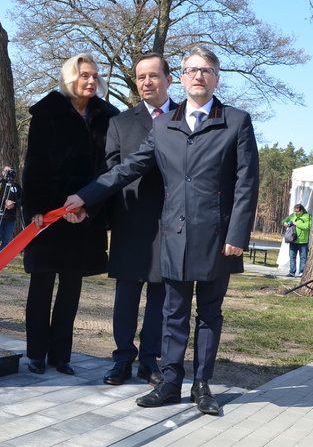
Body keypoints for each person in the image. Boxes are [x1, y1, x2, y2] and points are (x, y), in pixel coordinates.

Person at [64, 45, 259, 415]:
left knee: (209, 315)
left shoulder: (236, 120)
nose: (198, 76)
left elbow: (247, 182)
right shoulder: (164, 125)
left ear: (216, 78)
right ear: (182, 78)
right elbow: (127, 168)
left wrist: (237, 234)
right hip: (175, 235)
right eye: (191, 70)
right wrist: (85, 197)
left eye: (205, 70)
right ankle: (170, 381)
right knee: (173, 313)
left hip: (219, 238)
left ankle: (202, 385)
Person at [21, 53, 118, 376]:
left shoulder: (107, 118)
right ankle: (35, 352)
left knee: (71, 290)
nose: (91, 81)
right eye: (84, 76)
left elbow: (109, 169)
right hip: (49, 216)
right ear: (70, 77)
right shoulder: (47, 112)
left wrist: (90, 208)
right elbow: (34, 164)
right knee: (41, 286)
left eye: (94, 76)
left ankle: (60, 355)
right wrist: (35, 208)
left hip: (85, 215)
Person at [102, 53, 177, 387]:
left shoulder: (186, 117)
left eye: (153, 76)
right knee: (127, 296)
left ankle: (151, 361)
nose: (147, 82)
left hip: (172, 222)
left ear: (168, 79)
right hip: (131, 222)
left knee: (161, 299)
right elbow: (110, 172)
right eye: (140, 77)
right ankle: (122, 359)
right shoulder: (120, 123)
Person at [281, 204, 311, 277]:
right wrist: (285, 223)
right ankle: (292, 271)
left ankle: (301, 272)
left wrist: (296, 224)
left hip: (303, 241)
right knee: (292, 257)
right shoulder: (292, 216)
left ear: (302, 210)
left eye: (297, 211)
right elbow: (284, 220)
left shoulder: (307, 217)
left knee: (303, 258)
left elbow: (307, 226)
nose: (296, 213)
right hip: (293, 240)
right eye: (295, 211)